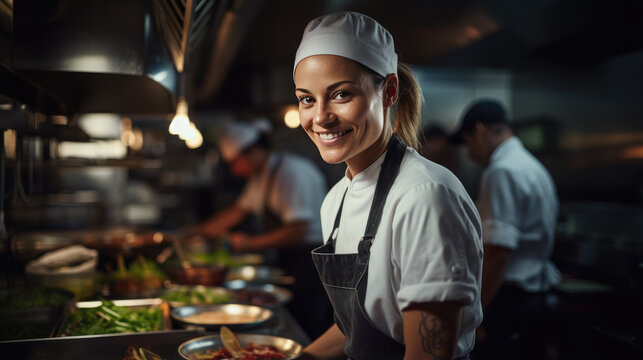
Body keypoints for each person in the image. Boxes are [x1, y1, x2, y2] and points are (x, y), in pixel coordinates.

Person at [293, 12, 483, 360]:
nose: (319, 117)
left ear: (389, 91)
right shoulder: (335, 200)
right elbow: (361, 324)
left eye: (340, 94)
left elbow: (427, 354)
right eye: (306, 98)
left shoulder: (425, 196)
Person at [192, 118, 333, 339]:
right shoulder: (262, 176)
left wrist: (249, 243)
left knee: (306, 327)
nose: (235, 170)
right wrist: (195, 232)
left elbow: (299, 230)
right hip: (290, 260)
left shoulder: (291, 172)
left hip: (312, 262)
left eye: (235, 162)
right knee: (291, 321)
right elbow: (236, 212)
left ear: (252, 151)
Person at [452, 99, 561, 360]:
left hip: (510, 299)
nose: (469, 153)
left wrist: (475, 313)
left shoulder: (501, 171)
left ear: (479, 130)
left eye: (468, 143)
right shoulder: (530, 165)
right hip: (534, 294)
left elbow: (498, 252)